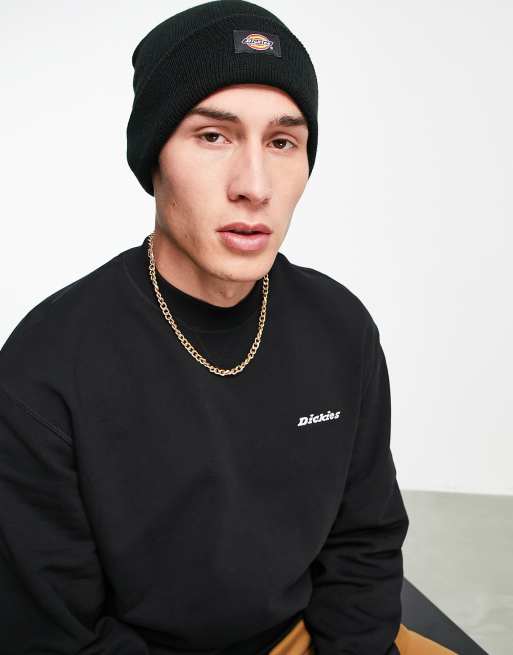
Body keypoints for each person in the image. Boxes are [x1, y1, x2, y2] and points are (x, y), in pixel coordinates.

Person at [0, 1, 456, 653]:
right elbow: (54, 632)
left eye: (282, 142)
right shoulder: (45, 366)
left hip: (304, 636)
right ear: (153, 155)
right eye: (213, 136)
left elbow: (363, 543)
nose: (254, 185)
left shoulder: (339, 327)